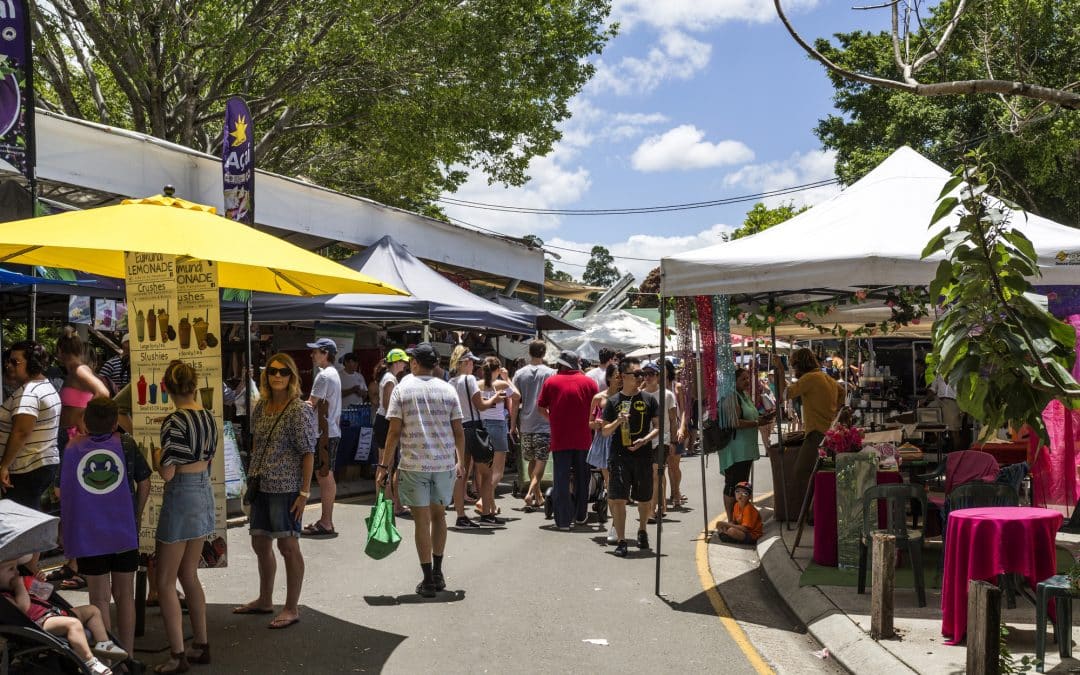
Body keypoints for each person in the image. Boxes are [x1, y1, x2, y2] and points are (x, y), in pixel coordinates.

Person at [61, 396, 150, 662]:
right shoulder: (126, 443)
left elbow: (60, 489)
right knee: (125, 596)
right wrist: (136, 514)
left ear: (86, 421)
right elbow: (144, 482)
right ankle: (129, 657)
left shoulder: (73, 448)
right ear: (115, 423)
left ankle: (108, 660)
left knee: (99, 599)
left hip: (89, 535)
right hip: (124, 532)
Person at [376, 343, 465, 598]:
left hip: (414, 465)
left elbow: (393, 431)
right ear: (435, 364)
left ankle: (427, 579)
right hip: (444, 464)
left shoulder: (402, 389)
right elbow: (458, 430)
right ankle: (438, 572)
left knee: (421, 521)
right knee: (439, 517)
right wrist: (461, 461)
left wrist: (384, 465)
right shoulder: (448, 390)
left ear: (415, 363)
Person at [234, 353, 314, 631]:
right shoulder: (261, 406)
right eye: (273, 371)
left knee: (288, 546)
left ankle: (291, 607)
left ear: (292, 377)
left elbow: (308, 453)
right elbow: (256, 443)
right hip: (260, 485)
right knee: (259, 542)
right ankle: (265, 599)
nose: (277, 376)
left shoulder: (298, 409)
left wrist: (304, 493)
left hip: (286, 487)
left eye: (284, 372)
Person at [152, 360, 217, 674]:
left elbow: (166, 473)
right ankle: (201, 644)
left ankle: (178, 656)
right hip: (203, 492)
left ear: (167, 388)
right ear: (194, 385)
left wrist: (154, 457)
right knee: (189, 574)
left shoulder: (173, 421)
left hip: (181, 495)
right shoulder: (207, 417)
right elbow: (208, 460)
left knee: (164, 581)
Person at [1, 558, 126, 675]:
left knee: (92, 610)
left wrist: (37, 583)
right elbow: (23, 608)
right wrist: (20, 587)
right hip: (40, 622)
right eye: (11, 569)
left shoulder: (20, 585)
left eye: (16, 568)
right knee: (73, 624)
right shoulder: (5, 598)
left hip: (55, 612)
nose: (17, 572)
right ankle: (90, 662)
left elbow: (46, 595)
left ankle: (105, 645)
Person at [0, 341, 61, 573]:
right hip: (40, 463)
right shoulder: (43, 386)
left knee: (20, 524)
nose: (9, 366)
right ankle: (29, 573)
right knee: (31, 517)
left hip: (26, 465)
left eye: (15, 362)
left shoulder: (29, 393)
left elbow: (22, 431)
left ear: (32, 364)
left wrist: (4, 465)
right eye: (8, 360)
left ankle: (21, 575)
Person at [602, 356, 659, 557]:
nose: (640, 377)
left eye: (641, 374)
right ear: (622, 376)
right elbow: (605, 432)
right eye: (636, 374)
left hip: (643, 455)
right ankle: (622, 540)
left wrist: (645, 439)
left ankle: (642, 528)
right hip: (619, 455)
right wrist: (618, 421)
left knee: (644, 500)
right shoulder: (613, 401)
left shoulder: (649, 399)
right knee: (618, 499)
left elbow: (658, 427)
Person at [776, 348, 845, 510]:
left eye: (794, 366)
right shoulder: (825, 377)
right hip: (828, 432)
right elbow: (843, 393)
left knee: (802, 471)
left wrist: (780, 370)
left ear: (800, 365)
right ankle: (817, 506)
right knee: (818, 471)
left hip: (816, 433)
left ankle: (816, 506)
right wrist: (833, 411)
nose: (794, 369)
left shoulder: (810, 378)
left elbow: (784, 395)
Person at [537, 351, 598, 531]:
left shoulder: (551, 382)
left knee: (561, 479)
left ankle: (563, 520)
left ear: (561, 364)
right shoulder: (589, 382)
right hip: (583, 438)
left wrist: (553, 419)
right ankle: (580, 515)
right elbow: (595, 410)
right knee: (582, 477)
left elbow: (540, 408)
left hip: (560, 438)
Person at [721, 368, 773, 522]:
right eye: (743, 379)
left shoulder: (744, 395)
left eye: (747, 378)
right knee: (733, 484)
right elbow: (735, 422)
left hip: (745, 449)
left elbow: (751, 415)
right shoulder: (731, 397)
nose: (747, 381)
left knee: (741, 483)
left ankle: (739, 516)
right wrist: (757, 422)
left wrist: (763, 417)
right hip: (736, 449)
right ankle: (731, 519)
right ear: (734, 381)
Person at [447, 346, 491, 528]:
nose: (474, 365)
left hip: (458, 429)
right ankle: (487, 512)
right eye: (472, 362)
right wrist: (494, 400)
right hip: (474, 428)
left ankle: (461, 515)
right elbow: (480, 405)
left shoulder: (450, 383)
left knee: (461, 473)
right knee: (486, 473)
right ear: (465, 362)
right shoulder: (470, 379)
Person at [302, 338, 341, 537]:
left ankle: (326, 521)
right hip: (329, 432)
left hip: (323, 434)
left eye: (315, 351)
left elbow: (311, 404)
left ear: (325, 353)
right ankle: (326, 520)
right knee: (326, 475)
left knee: (324, 476)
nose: (312, 355)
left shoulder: (324, 376)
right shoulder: (332, 374)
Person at [511, 340, 555, 509]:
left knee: (530, 461)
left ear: (529, 353)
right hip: (544, 422)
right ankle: (531, 493)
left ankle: (538, 496)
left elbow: (515, 402)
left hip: (526, 423)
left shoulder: (520, 374)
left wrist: (513, 424)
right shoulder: (551, 373)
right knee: (541, 460)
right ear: (544, 353)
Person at [476, 356, 518, 516]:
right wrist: (507, 378)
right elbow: (516, 396)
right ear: (497, 370)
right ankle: (483, 499)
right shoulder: (502, 384)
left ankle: (491, 506)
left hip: (482, 426)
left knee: (485, 469)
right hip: (498, 425)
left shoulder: (477, 385)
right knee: (498, 471)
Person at [57, 328, 111, 441]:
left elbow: (103, 392)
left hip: (75, 434)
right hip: (68, 433)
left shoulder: (79, 370)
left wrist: (83, 417)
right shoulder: (74, 371)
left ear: (60, 351)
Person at [373, 349, 410, 517]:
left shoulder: (390, 378)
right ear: (396, 362)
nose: (405, 364)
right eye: (403, 361)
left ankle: (389, 503)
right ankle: (389, 505)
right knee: (386, 464)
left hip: (384, 421)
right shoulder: (390, 379)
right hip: (386, 423)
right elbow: (389, 406)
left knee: (387, 463)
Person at [640, 360, 677, 522]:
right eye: (645, 374)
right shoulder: (640, 395)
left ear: (658, 376)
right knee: (651, 475)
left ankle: (651, 510)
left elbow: (673, 420)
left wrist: (674, 441)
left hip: (663, 439)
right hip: (644, 440)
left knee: (655, 474)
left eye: (651, 374)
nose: (647, 377)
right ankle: (660, 504)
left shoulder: (668, 395)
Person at [587, 363, 620, 544]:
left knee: (616, 485)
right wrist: (598, 423)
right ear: (608, 378)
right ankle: (615, 525)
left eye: (621, 375)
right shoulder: (598, 398)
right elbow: (589, 423)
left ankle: (616, 523)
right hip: (604, 442)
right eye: (616, 375)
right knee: (610, 484)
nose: (619, 379)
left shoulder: (627, 397)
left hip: (621, 442)